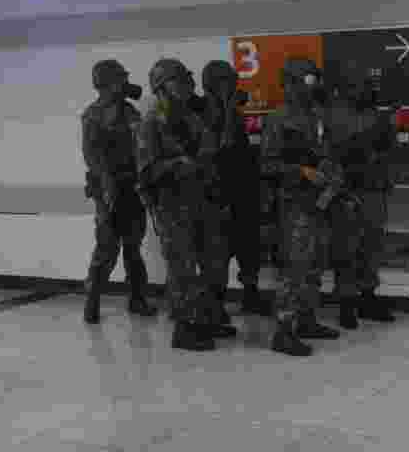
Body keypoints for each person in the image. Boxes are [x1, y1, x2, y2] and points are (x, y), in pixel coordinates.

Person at [135, 58, 234, 351]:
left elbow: (209, 151)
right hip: (171, 205)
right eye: (180, 80)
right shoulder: (151, 123)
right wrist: (178, 165)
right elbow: (145, 172)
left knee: (212, 261)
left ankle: (206, 317)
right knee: (182, 267)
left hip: (201, 200)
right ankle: (184, 328)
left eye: (187, 80)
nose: (187, 85)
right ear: (162, 86)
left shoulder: (191, 118)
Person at [261, 57, 343, 356]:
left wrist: (328, 169)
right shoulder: (278, 118)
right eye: (307, 80)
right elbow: (267, 165)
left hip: (318, 202)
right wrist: (301, 172)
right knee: (293, 269)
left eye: (314, 80)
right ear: (291, 84)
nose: (313, 86)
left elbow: (324, 153)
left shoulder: (316, 116)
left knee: (314, 265)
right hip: (292, 204)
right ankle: (284, 331)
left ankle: (307, 320)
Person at [80, 59, 158, 323]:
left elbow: (142, 146)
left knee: (133, 248)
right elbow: (92, 156)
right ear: (107, 84)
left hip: (131, 188)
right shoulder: (92, 115)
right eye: (120, 80)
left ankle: (137, 299)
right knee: (107, 249)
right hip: (108, 191)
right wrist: (106, 185)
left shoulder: (130, 112)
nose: (125, 84)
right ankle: (92, 299)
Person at [198, 60, 272, 317]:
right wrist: (229, 110)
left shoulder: (234, 113)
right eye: (228, 81)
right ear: (214, 84)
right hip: (218, 196)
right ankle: (215, 308)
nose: (235, 86)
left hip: (243, 193)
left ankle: (251, 296)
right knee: (217, 255)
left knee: (249, 249)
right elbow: (221, 148)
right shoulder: (202, 113)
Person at [329, 75, 396, 329]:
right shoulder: (337, 116)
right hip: (348, 192)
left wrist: (383, 135)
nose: (366, 91)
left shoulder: (378, 115)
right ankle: (346, 304)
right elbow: (336, 151)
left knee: (372, 247)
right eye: (360, 87)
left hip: (374, 191)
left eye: (369, 87)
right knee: (345, 249)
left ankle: (368, 299)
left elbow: (389, 150)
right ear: (348, 90)